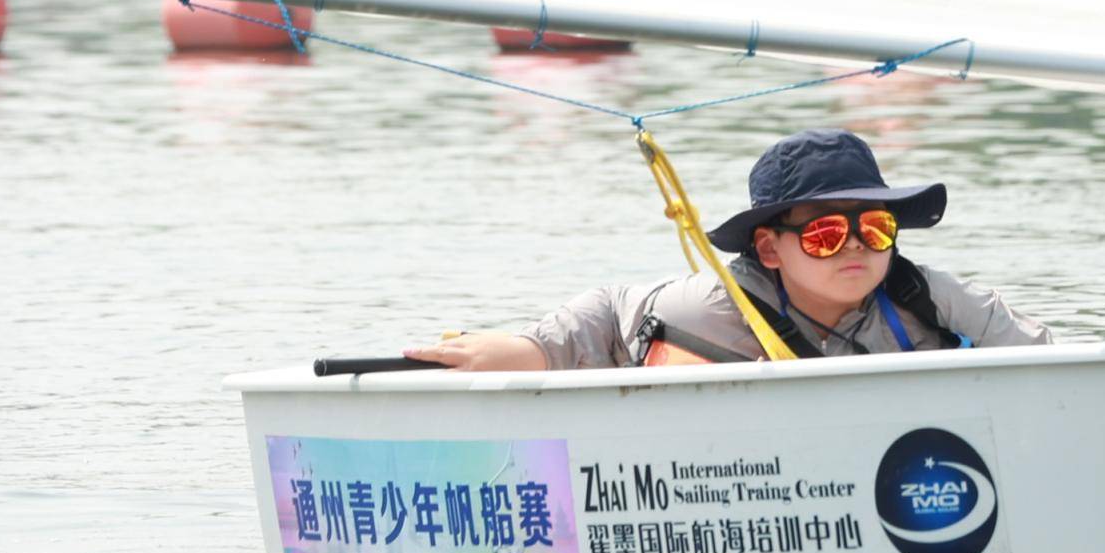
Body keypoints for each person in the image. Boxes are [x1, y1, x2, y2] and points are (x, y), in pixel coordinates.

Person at [408, 129, 1049, 370]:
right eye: (826, 234)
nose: (857, 246)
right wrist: (530, 351)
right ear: (769, 249)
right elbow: (609, 313)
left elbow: (1047, 363)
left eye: (876, 228)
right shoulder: (711, 306)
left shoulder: (927, 298)